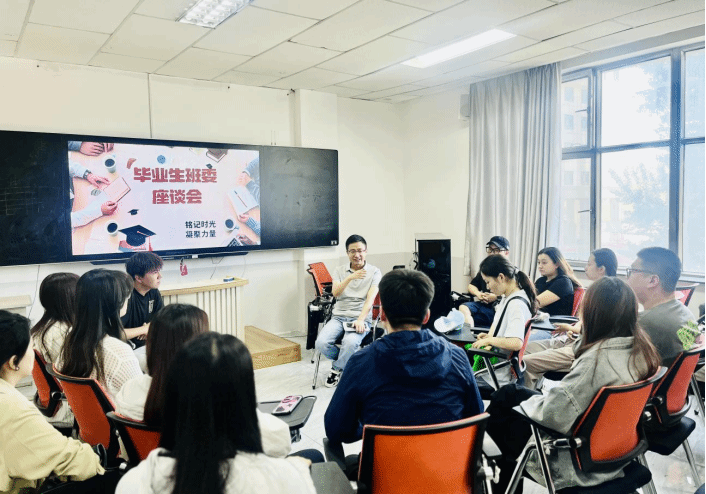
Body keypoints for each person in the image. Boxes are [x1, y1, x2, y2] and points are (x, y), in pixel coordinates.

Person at [485, 277, 662, 493]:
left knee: (500, 425)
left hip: (577, 458)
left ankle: (487, 464)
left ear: (593, 314)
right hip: (615, 446)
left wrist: (531, 405)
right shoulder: (642, 351)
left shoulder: (596, 362)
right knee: (510, 393)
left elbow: (553, 415)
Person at [324, 269, 484, 478]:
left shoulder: (361, 362)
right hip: (447, 478)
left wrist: (369, 426)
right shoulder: (458, 357)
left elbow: (336, 430)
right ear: (426, 316)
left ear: (382, 315)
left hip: (386, 479)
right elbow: (475, 415)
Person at [115, 332, 317, 494]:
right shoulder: (287, 480)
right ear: (246, 394)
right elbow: (281, 442)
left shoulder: (134, 483)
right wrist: (296, 469)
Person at [1, 310, 104, 494]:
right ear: (14, 362)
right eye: (31, 348)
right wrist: (96, 459)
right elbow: (70, 460)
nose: (34, 353)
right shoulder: (13, 408)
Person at [522, 248, 617, 389]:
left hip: (585, 347)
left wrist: (571, 328)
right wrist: (574, 328)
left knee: (526, 361)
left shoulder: (611, 293)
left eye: (589, 264)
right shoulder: (594, 290)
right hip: (574, 339)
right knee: (524, 349)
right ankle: (527, 390)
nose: (585, 268)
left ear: (601, 269)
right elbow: (584, 321)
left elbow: (601, 331)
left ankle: (527, 398)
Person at [58, 269, 142, 401]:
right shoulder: (119, 352)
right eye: (126, 296)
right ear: (115, 303)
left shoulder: (71, 337)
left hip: (84, 413)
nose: (129, 299)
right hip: (118, 413)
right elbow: (141, 400)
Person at [314, 234, 382, 387]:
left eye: (360, 250)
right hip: (338, 317)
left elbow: (370, 299)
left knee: (350, 343)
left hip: (360, 317)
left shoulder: (375, 272)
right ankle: (350, 361)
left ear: (366, 251)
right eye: (352, 251)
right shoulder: (339, 270)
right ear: (347, 253)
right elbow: (336, 293)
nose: (357, 255)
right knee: (321, 343)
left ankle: (337, 369)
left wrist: (361, 320)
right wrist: (350, 277)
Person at [470, 255, 538, 394]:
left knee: (455, 379)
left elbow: (516, 343)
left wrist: (490, 340)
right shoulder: (509, 297)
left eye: (488, 282)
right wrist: (489, 336)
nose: (487, 287)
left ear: (501, 277)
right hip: (496, 369)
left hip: (495, 375)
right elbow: (503, 327)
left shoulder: (516, 304)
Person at [627, 247, 695, 367]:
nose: (627, 277)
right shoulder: (686, 313)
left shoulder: (643, 323)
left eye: (632, 271)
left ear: (652, 281)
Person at [29, 272, 80, 427]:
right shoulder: (64, 333)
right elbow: (77, 376)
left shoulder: (41, 329)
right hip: (68, 410)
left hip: (52, 404)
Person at [528, 247, 582, 343]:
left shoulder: (563, 282)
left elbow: (535, 303)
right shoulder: (540, 281)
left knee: (520, 343)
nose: (540, 266)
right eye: (539, 262)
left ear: (557, 264)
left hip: (552, 327)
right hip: (537, 322)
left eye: (544, 263)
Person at [459, 236, 510, 327]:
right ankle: (469, 334)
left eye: (497, 250)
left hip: (501, 308)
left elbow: (513, 294)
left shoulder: (511, 272)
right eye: (490, 250)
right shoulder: (485, 270)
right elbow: (471, 286)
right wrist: (478, 294)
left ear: (506, 253)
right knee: (463, 309)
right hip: (485, 306)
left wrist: (496, 297)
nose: (492, 253)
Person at [121, 252, 165, 351]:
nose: (160, 276)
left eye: (159, 271)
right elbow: (114, 334)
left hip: (149, 344)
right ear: (139, 278)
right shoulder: (125, 295)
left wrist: (150, 328)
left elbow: (162, 320)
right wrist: (144, 329)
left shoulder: (153, 291)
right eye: (154, 272)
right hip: (127, 349)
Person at [68, 141, 116, 228]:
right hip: (75, 211)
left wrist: (86, 174)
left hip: (75, 187)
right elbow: (68, 220)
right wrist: (99, 211)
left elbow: (63, 164)